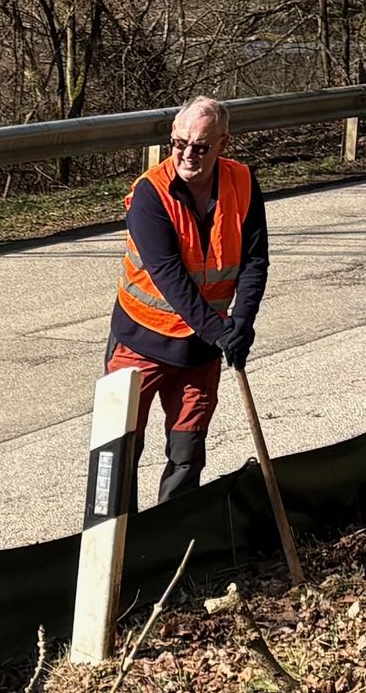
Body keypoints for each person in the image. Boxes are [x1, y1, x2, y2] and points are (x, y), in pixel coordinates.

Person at [105, 93, 269, 507]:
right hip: (139, 344)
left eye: (200, 146)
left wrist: (242, 324)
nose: (187, 155)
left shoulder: (243, 184)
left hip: (198, 353)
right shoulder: (149, 195)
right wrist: (220, 332)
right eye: (180, 144)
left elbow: (254, 261)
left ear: (223, 145)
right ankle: (114, 552)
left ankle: (169, 544)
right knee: (118, 455)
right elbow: (170, 278)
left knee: (187, 456)